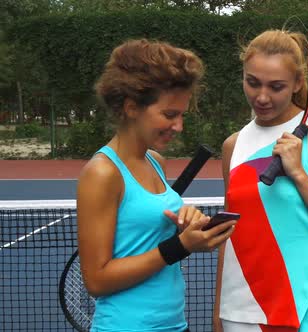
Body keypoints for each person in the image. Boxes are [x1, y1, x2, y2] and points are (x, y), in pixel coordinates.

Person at [77, 39, 236, 332]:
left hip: (175, 325)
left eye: (182, 115)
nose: (179, 126)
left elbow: (149, 233)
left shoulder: (155, 161)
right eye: (169, 115)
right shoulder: (102, 174)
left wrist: (186, 224)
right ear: (131, 107)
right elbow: (96, 281)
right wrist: (180, 246)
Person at [213, 29, 308, 332]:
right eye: (252, 83)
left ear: (296, 84)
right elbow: (230, 233)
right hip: (242, 311)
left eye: (276, 87)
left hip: (307, 312)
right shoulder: (232, 146)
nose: (261, 97)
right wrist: (219, 311)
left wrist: (299, 174)